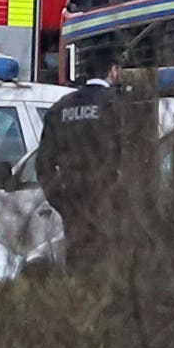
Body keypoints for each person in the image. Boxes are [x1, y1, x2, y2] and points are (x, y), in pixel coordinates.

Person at [38, 59, 128, 271]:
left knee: (79, 268)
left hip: (73, 199)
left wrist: (60, 200)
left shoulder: (60, 108)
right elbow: (133, 154)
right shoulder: (118, 105)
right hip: (110, 200)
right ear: (114, 71)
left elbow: (43, 164)